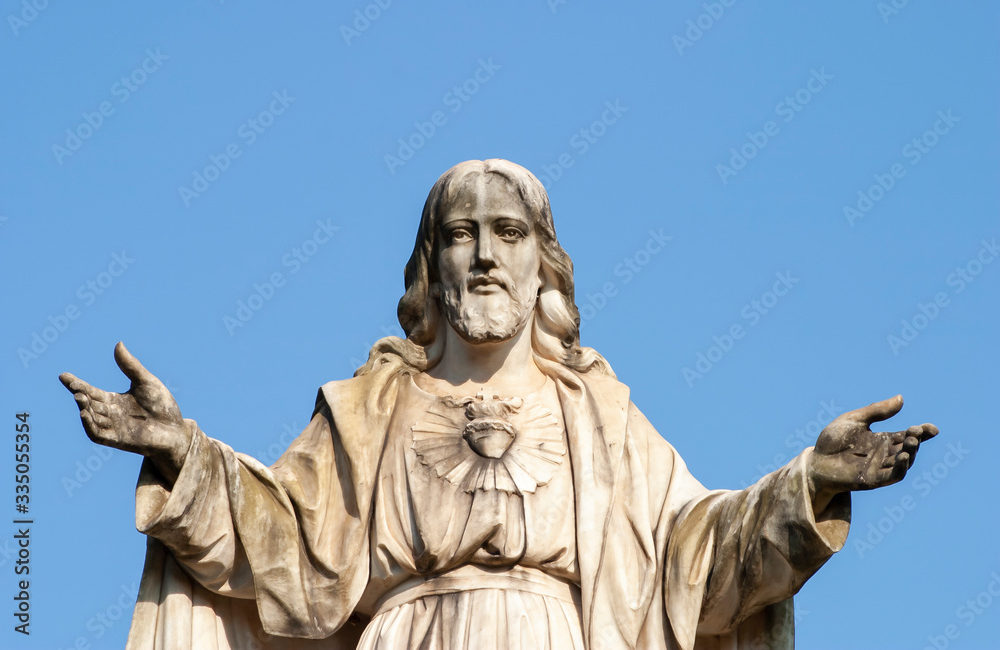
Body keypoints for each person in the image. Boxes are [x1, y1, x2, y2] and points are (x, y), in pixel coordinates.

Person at [61, 159, 938, 649]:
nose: (483, 254)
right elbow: (285, 549)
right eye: (459, 233)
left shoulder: (599, 413)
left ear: (541, 261)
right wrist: (183, 451)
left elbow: (693, 563)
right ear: (431, 266)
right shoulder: (373, 405)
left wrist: (809, 483)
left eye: (508, 232)